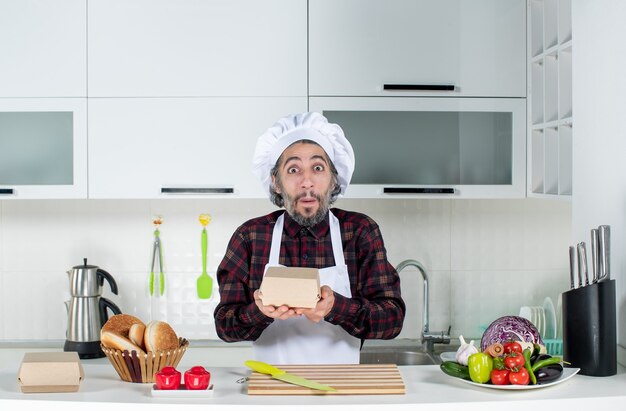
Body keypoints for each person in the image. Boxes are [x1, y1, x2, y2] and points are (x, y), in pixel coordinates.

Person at [214, 112, 405, 364]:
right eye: (293, 169)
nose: (307, 182)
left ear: (333, 178)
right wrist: (258, 312)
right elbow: (225, 325)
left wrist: (336, 308)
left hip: (340, 391)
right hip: (271, 391)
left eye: (317, 168)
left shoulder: (359, 232)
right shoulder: (250, 236)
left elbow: (392, 320)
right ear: (276, 182)